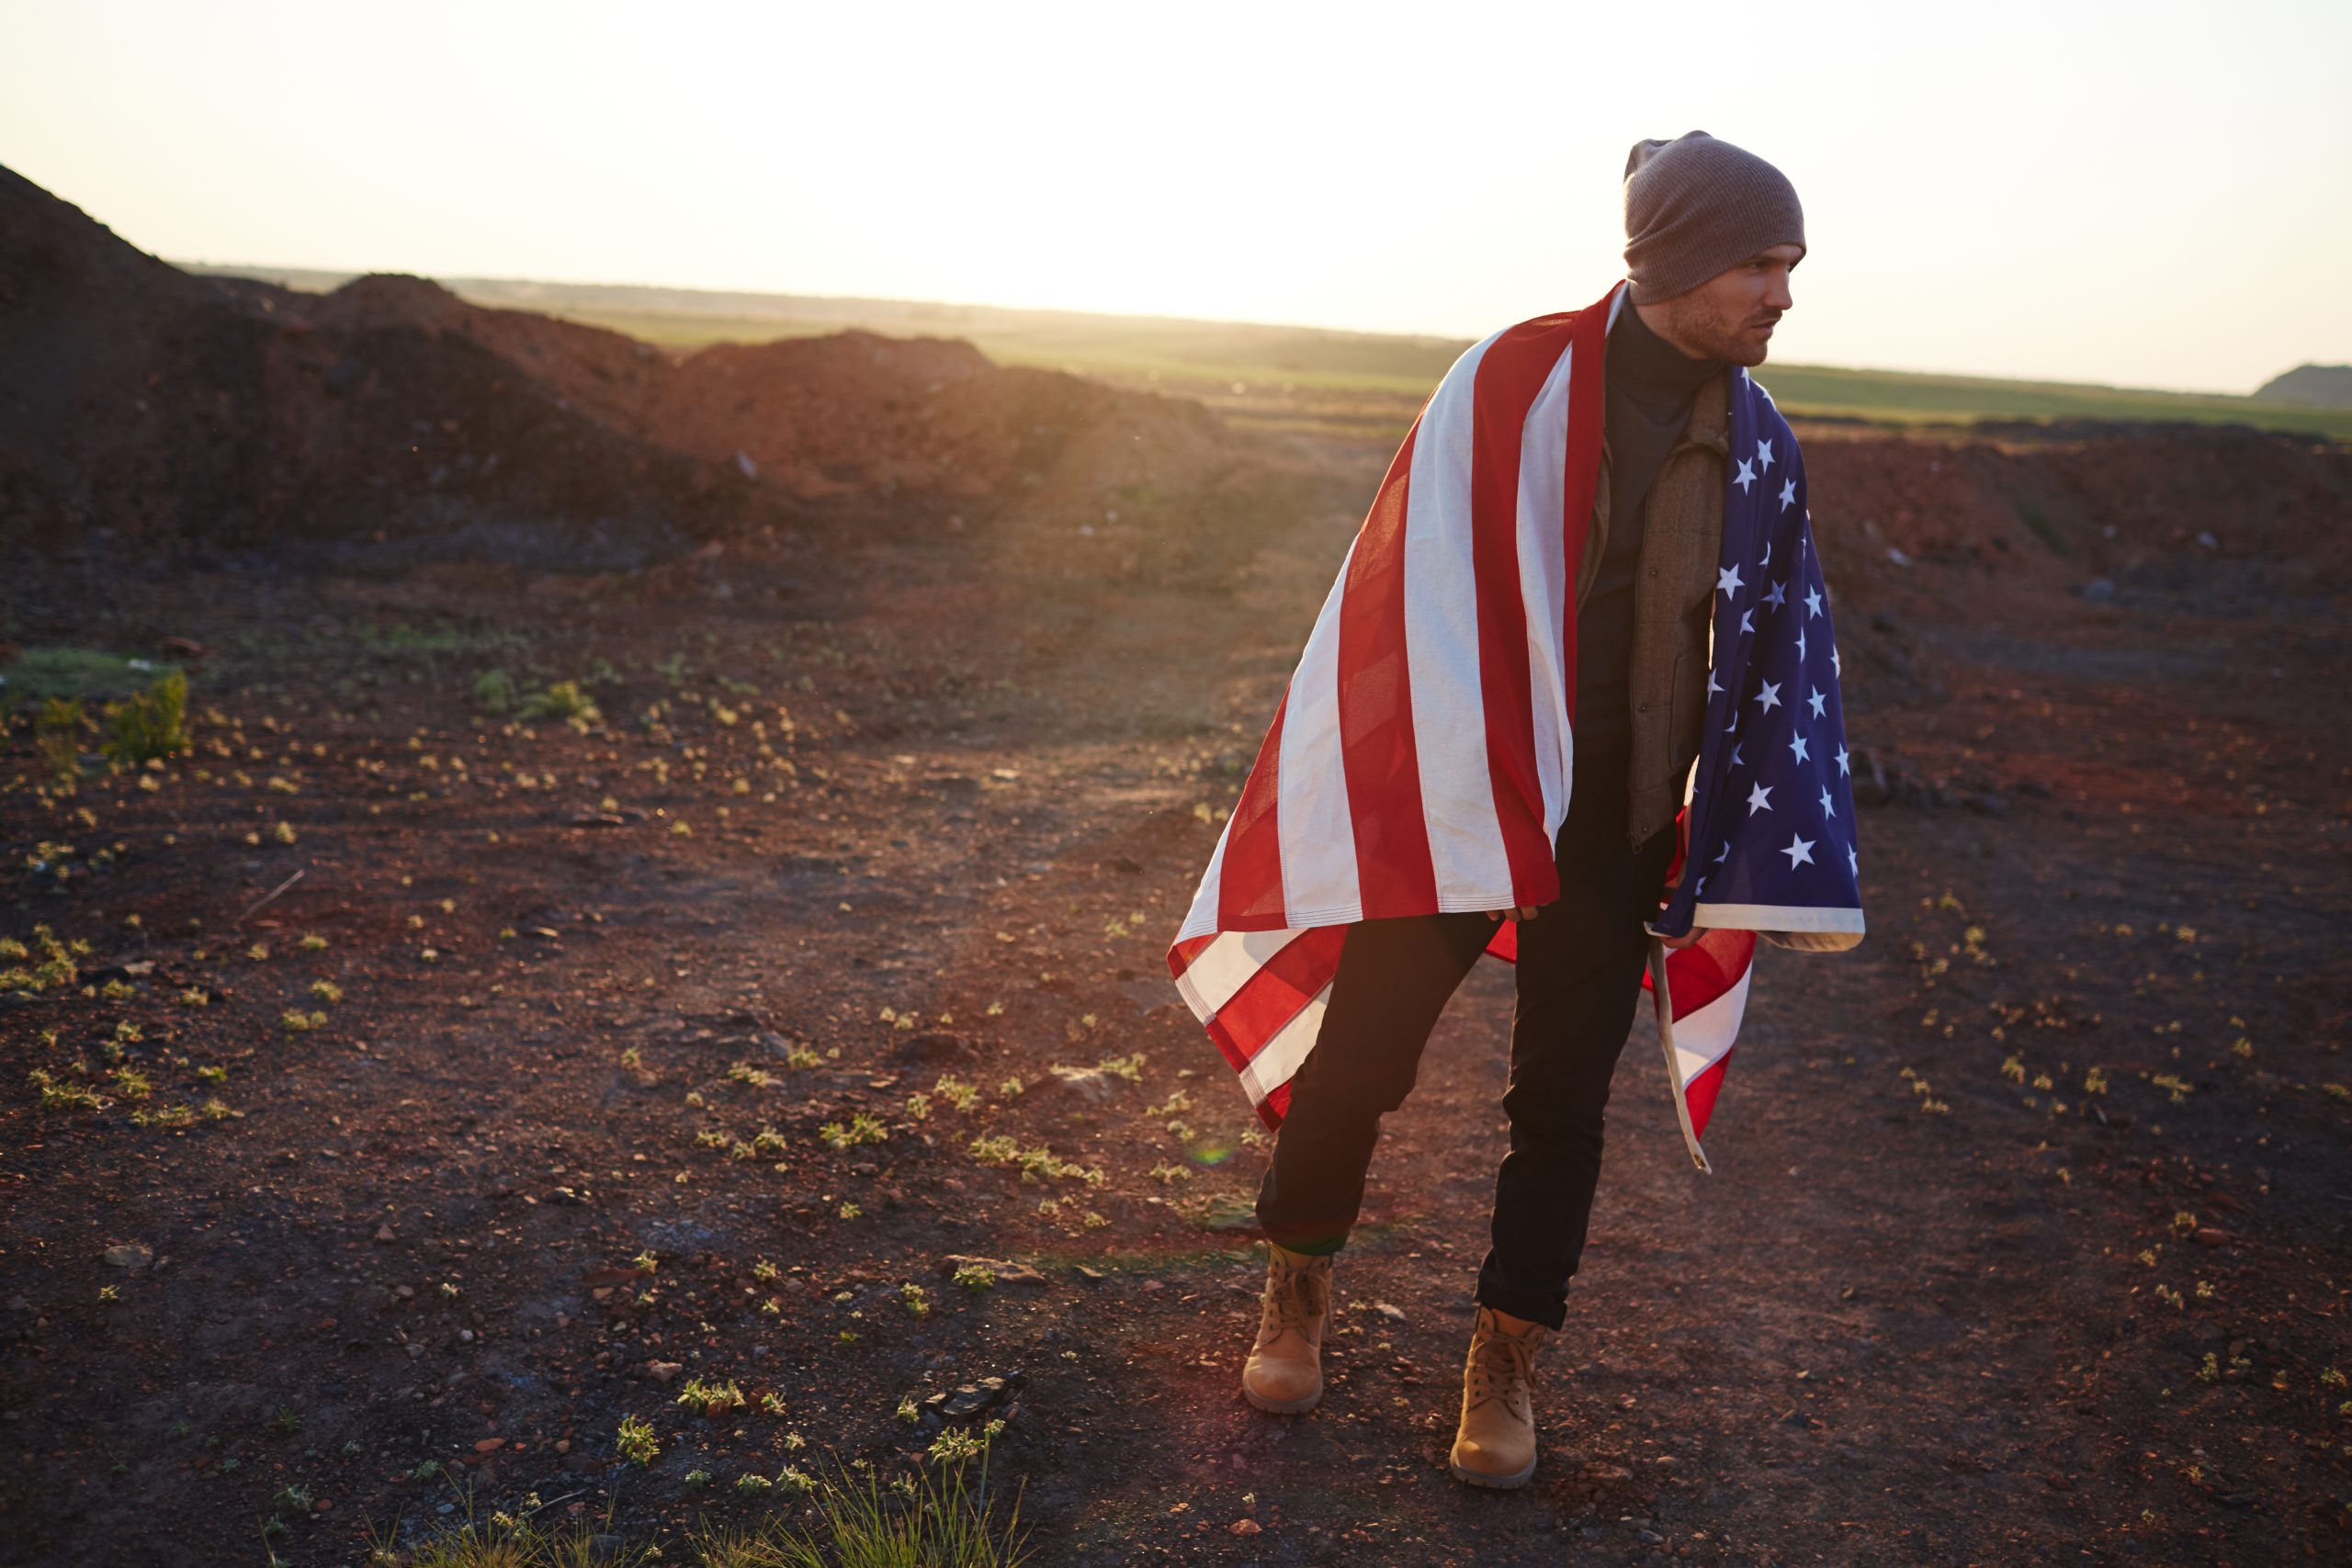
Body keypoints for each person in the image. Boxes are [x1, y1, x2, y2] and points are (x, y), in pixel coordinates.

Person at [1237, 130, 1809, 1490]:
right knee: (1361, 1062)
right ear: (1677, 259)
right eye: (1762, 263)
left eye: (1792, 266)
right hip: (1465, 796)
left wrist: (1723, 830)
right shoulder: (1508, 381)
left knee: (1559, 1105)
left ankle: (1504, 1363)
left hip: (1615, 824)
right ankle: (1295, 1294)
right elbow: (1401, 583)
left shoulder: (1758, 438)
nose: (1783, 294)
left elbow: (1775, 657)